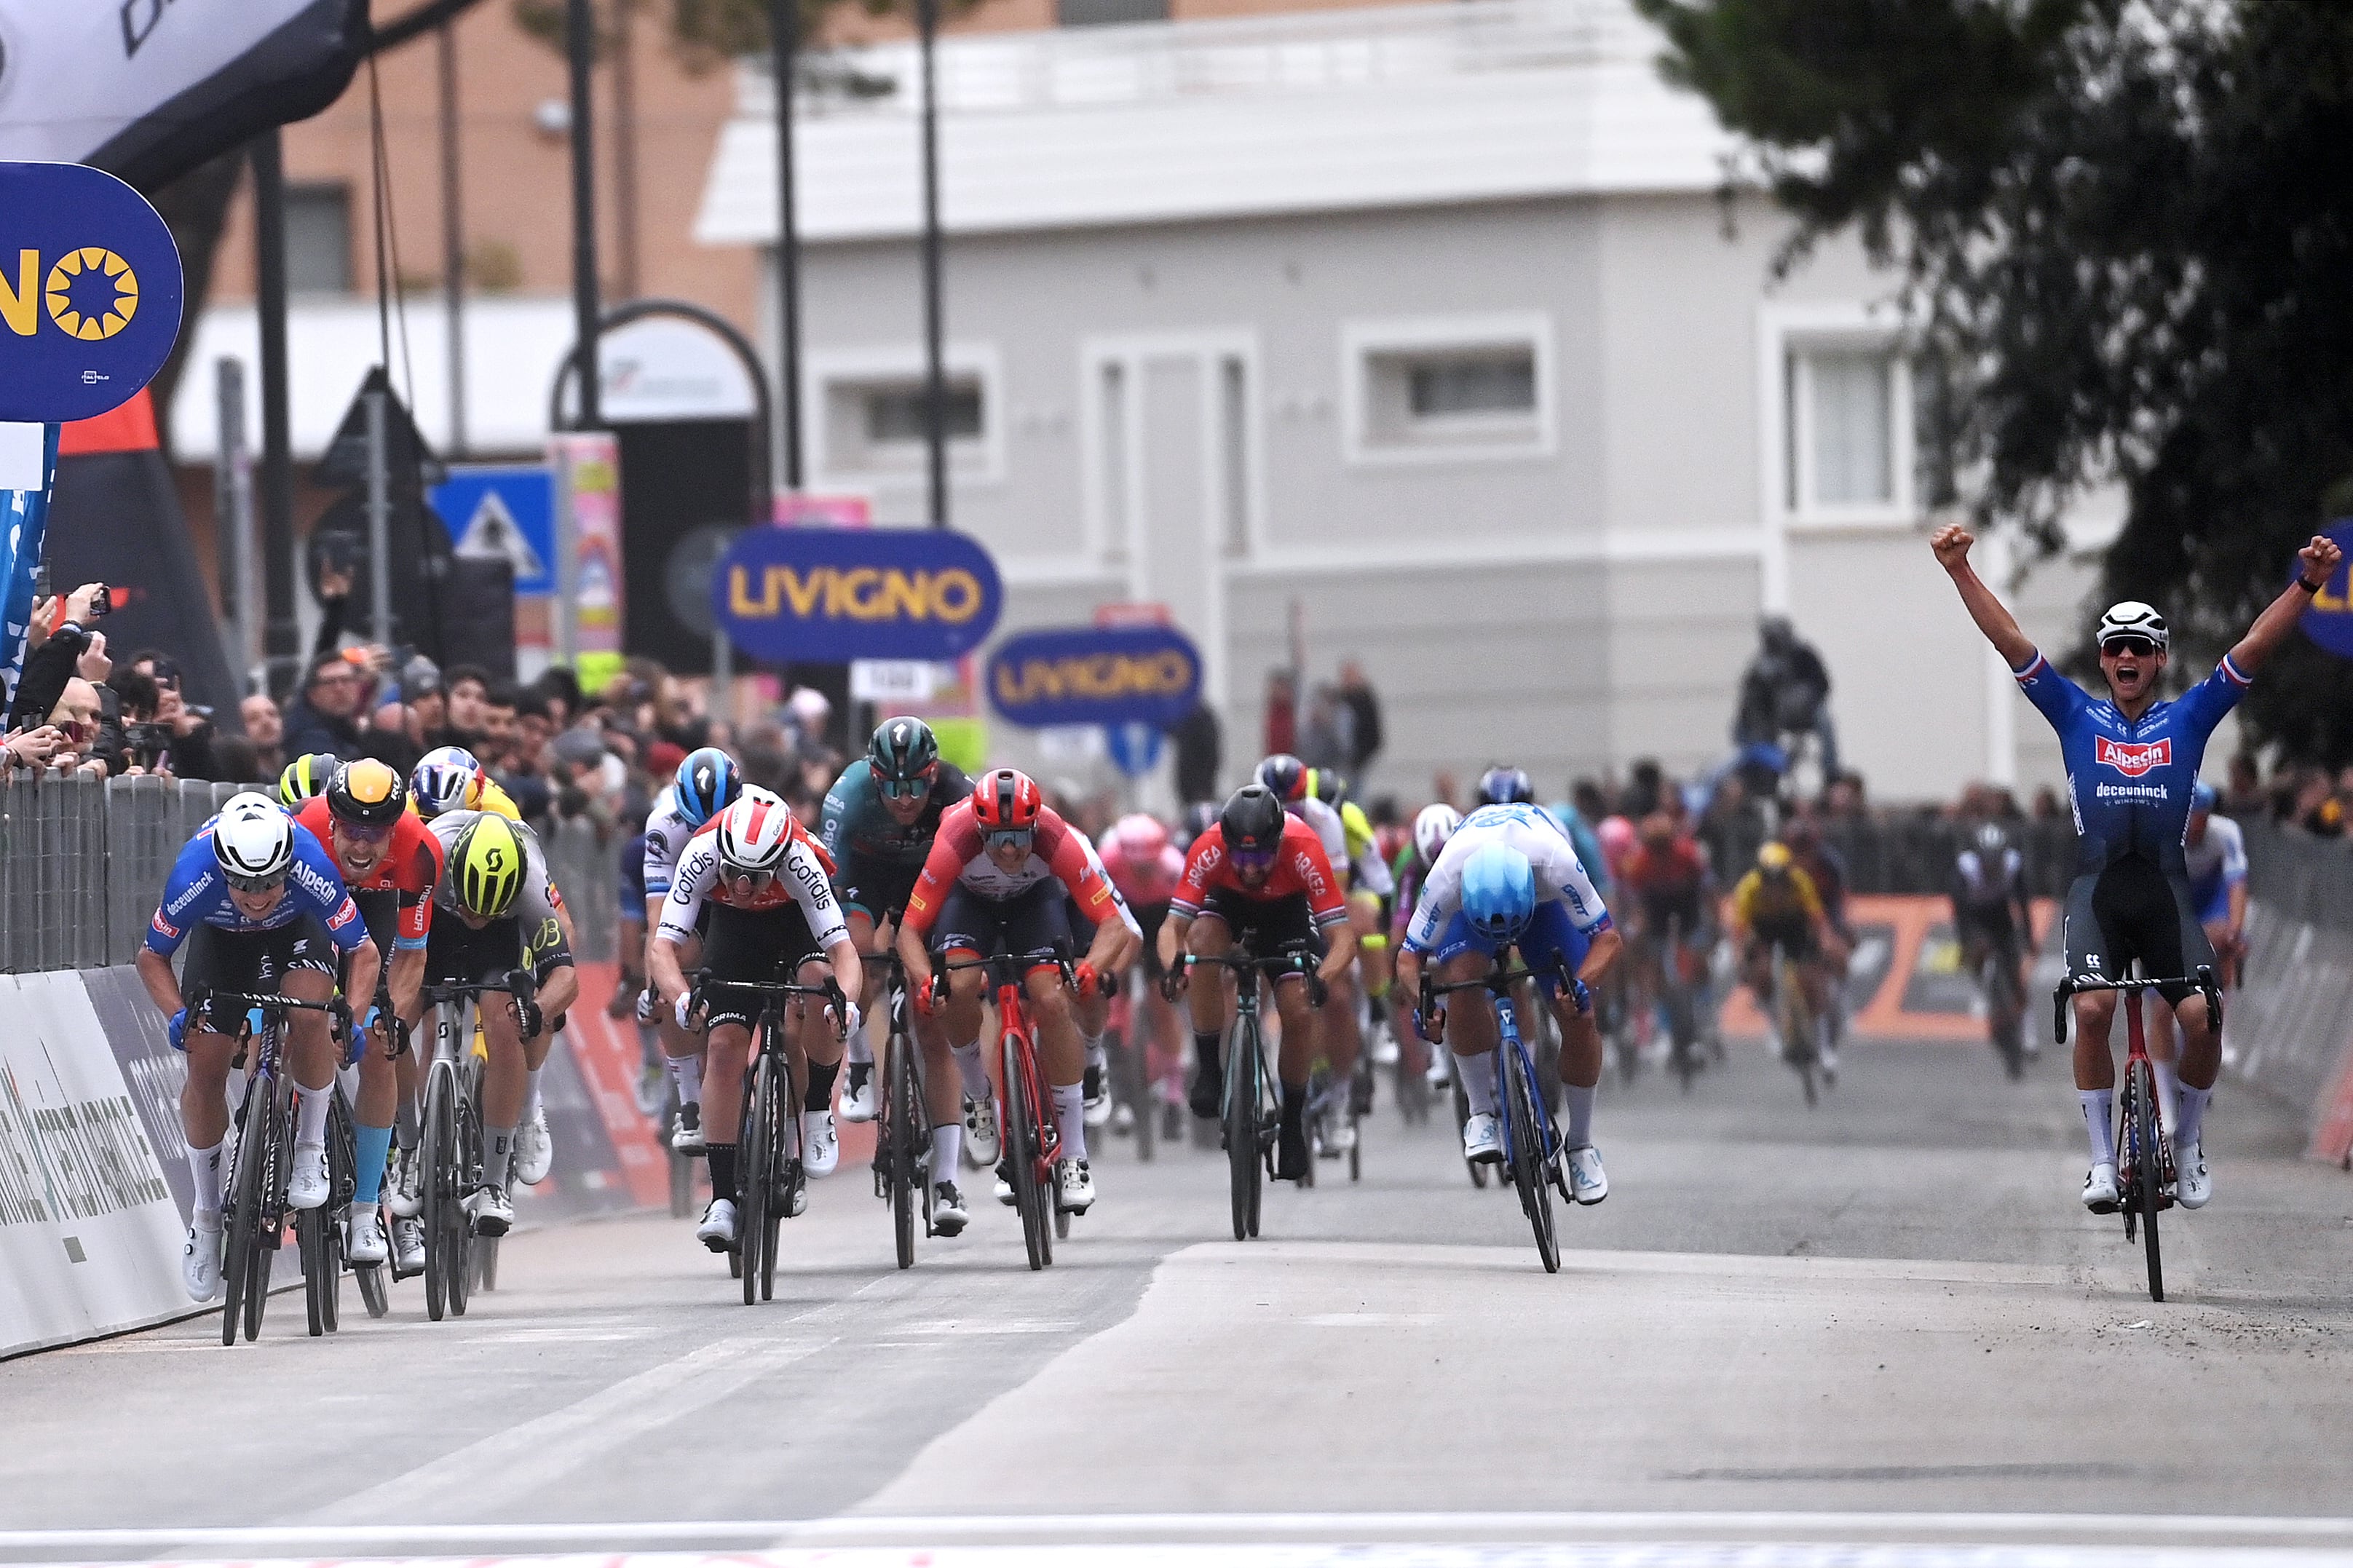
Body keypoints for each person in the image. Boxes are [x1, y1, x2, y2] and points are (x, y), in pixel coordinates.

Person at [1931, 521, 2342, 1213]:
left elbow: (2254, 647)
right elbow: (2010, 643)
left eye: (2141, 649)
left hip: (2164, 894)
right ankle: (2099, 1160)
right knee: (2091, 1010)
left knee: (2202, 1020)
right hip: (2097, 893)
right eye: (2117, 647)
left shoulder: (2188, 718)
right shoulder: (2072, 713)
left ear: (2158, 661)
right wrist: (1958, 571)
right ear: (2104, 659)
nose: (2128, 657)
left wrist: (2306, 584)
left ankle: (2187, 1144)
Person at [135, 793, 379, 1302]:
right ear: (223, 871)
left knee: (309, 1016)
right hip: (220, 943)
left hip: (297, 934)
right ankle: (206, 1221)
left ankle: (311, 1150)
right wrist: (178, 1014)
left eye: (270, 881)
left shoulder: (313, 867)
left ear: (288, 866)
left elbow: (364, 951)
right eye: (244, 884)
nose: (258, 895)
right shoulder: (193, 875)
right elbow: (151, 957)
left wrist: (349, 1017)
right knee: (205, 1071)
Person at [897, 769, 1126, 1216]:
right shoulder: (955, 838)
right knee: (959, 986)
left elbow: (1112, 923)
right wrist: (927, 981)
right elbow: (909, 931)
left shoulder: (1056, 838)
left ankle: (1075, 1155)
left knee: (1053, 999)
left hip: (1033, 904)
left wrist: (1092, 968)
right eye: (997, 838)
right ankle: (978, 1095)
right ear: (979, 829)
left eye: (1020, 838)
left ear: (1036, 827)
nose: (1008, 849)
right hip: (971, 905)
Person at [651, 787, 860, 1254]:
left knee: (817, 986)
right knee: (724, 1047)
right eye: (735, 875)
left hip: (795, 920)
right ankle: (723, 1198)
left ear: (780, 862)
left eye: (756, 877)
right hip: (734, 930)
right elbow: (663, 949)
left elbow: (844, 953)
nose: (744, 887)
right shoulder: (702, 851)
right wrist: (682, 999)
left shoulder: (803, 861)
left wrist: (844, 1003)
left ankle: (818, 1105)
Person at [1393, 801, 1622, 1203]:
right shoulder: (1447, 876)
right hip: (1473, 910)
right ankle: (1481, 1111)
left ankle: (1581, 1145)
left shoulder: (1555, 864)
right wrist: (1425, 1002)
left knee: (1579, 1016)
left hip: (1546, 909)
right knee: (1462, 984)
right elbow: (1409, 958)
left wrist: (1580, 986)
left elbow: (1608, 939)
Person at [817, 719, 978, 1229]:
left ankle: (947, 1179)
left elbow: (976, 874)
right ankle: (861, 1063)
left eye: (915, 785)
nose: (905, 799)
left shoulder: (958, 794)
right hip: (865, 876)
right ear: (874, 775)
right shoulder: (847, 795)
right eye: (892, 785)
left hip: (932, 882)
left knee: (932, 1022)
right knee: (859, 951)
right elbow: (826, 880)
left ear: (934, 775)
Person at [1158, 784, 1357, 1181]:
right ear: (1227, 844)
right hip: (1226, 905)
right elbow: (1172, 929)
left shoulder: (1304, 848)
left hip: (1286, 915)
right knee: (1200, 946)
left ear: (1279, 842)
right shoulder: (1210, 846)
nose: (1250, 868)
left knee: (1298, 1008)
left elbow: (1344, 941)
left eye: (1262, 856)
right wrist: (1175, 967)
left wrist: (1322, 978)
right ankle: (1210, 1068)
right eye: (1241, 857)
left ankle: (1294, 1122)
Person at [291, 760, 444, 1267]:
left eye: (375, 834)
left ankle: (365, 1211)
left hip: (377, 915)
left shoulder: (419, 851)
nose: (361, 846)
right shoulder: (302, 830)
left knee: (382, 1043)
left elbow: (411, 955)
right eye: (352, 830)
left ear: (395, 828)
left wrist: (385, 1019)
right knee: (296, 1010)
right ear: (332, 820)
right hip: (311, 911)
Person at [416, 809, 581, 1237]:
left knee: (506, 1020)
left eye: (488, 910)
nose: (477, 917)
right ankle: (405, 1154)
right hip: (436, 924)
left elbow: (565, 976)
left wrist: (538, 1010)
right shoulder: (427, 857)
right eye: (472, 907)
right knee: (403, 1016)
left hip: (501, 943)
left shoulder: (529, 883)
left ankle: (493, 1182)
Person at [639, 745, 746, 1160]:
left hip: (750, 904)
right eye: (696, 823)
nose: (705, 833)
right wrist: (657, 986)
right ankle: (689, 1103)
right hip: (693, 906)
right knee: (669, 975)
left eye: (714, 823)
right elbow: (658, 919)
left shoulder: (758, 812)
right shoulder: (663, 827)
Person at [1728, 841, 1846, 1078]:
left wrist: (1826, 942)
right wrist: (1741, 960)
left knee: (1812, 981)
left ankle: (1825, 1049)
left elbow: (1818, 919)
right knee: (1760, 974)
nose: (1775, 886)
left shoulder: (1801, 882)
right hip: (1764, 928)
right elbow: (1740, 932)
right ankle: (1775, 1025)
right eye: (1769, 880)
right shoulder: (1748, 888)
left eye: (1781, 879)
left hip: (1795, 926)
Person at [1950, 818, 2035, 1066]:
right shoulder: (1965, 870)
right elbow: (1960, 913)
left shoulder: (2012, 865)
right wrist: (1966, 943)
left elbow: (2023, 905)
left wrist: (2028, 938)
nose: (1992, 868)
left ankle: (2029, 1034)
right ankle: (1981, 987)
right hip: (1976, 918)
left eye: (1996, 861)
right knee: (1976, 953)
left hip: (2001, 917)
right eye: (1987, 862)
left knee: (2016, 976)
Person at [1733, 616, 1838, 782]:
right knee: (1744, 729)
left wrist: (1804, 697)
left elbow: (1823, 684)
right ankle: (1759, 772)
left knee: (1825, 721)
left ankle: (1831, 770)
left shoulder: (1805, 655)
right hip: (1774, 714)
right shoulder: (1760, 664)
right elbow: (1750, 697)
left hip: (1806, 711)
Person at [2184, 782, 2249, 990]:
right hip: (2178, 897)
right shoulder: (2163, 834)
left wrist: (2235, 932)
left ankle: (2218, 1007)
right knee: (2161, 1007)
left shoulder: (2225, 832)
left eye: (2201, 818)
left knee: (2224, 939)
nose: (2195, 826)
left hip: (2210, 897)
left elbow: (2237, 882)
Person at [1337, 660, 1383, 784]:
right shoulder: (1339, 701)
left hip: (1357, 763)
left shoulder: (1365, 702)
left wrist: (1359, 759)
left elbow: (1373, 735)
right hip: (1341, 762)